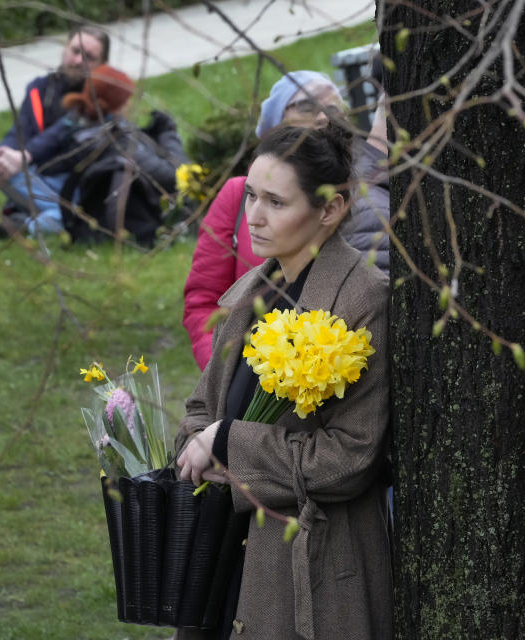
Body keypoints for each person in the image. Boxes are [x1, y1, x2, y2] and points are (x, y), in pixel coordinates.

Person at [175, 123, 391, 639]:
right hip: (222, 552)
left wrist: (227, 445)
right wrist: (201, 442)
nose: (253, 215)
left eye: (275, 201)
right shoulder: (252, 291)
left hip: (310, 565)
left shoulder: (364, 302)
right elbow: (199, 411)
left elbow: (348, 459)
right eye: (250, 194)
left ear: (330, 210)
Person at [182, 70, 390, 370]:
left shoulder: (360, 205)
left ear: (330, 210)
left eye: (333, 110)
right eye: (306, 106)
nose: (322, 118)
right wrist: (222, 370)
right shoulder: (236, 195)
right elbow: (203, 299)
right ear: (273, 124)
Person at [34, 64, 188, 245]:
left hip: (74, 207)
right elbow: (176, 175)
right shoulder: (117, 141)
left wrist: (150, 133)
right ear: (117, 106)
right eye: (127, 99)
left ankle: (22, 221)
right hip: (106, 216)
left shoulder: (83, 131)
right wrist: (168, 133)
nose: (131, 105)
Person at [0, 25, 110, 236]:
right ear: (65, 49)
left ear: (102, 65)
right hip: (38, 178)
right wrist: (0, 157)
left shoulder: (102, 98)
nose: (77, 61)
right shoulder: (40, 89)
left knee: (81, 214)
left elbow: (65, 131)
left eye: (89, 57)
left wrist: (24, 156)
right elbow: (20, 132)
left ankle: (24, 223)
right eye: (75, 51)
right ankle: (43, 218)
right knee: (2, 164)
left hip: (78, 185)